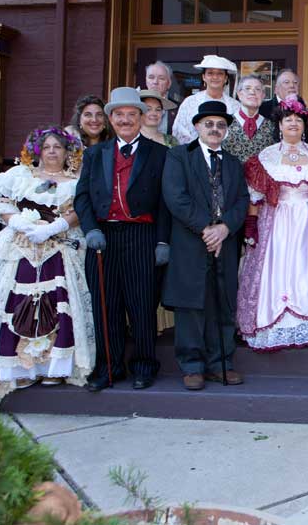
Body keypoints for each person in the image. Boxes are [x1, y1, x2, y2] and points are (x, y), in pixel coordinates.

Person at [0, 127, 94, 413]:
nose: (52, 151)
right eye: (47, 147)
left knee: (58, 303)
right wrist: (18, 223)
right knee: (18, 303)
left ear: (67, 152)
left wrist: (57, 226)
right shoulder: (20, 177)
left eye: (58, 147)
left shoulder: (75, 181)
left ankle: (53, 367)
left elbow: (81, 209)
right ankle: (22, 369)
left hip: (58, 249)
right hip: (23, 250)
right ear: (38, 150)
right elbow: (1, 203)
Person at [236, 99, 308, 349]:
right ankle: (277, 324)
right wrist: (251, 225)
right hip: (277, 221)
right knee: (277, 269)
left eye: (298, 120)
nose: (293, 123)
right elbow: (255, 197)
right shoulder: (265, 158)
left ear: (304, 125)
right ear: (279, 125)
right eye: (287, 119)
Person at [74, 87, 171, 391]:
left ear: (142, 119)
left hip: (141, 234)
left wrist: (162, 242)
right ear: (110, 119)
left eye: (132, 114)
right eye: (119, 115)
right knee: (106, 305)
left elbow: (166, 203)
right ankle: (109, 368)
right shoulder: (94, 153)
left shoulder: (160, 154)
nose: (126, 120)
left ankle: (144, 366)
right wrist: (90, 229)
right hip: (103, 236)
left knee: (142, 305)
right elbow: (82, 197)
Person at [162, 101, 249, 390]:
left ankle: (220, 363)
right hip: (191, 242)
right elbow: (176, 197)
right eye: (209, 124)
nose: (215, 129)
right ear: (197, 127)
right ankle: (192, 366)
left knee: (222, 305)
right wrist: (207, 228)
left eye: (221, 125)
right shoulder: (179, 157)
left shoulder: (234, 163)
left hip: (225, 243)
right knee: (191, 307)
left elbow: (240, 201)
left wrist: (225, 228)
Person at [139, 89, 179, 336]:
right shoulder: (130, 139)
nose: (153, 114)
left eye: (157, 110)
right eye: (148, 109)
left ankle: (159, 323)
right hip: (138, 213)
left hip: (165, 211)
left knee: (160, 268)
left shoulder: (171, 142)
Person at [172, 54, 241, 144]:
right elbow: (180, 131)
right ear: (204, 77)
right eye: (210, 73)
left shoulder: (235, 106)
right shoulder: (190, 102)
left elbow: (239, 134)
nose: (215, 77)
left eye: (220, 73)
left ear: (225, 78)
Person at [223, 75, 278, 164]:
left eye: (257, 89)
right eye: (247, 88)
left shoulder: (271, 126)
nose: (252, 92)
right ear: (239, 94)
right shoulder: (224, 124)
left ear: (263, 95)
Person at [143, 61, 180, 134]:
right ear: (146, 81)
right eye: (151, 77)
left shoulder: (177, 109)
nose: (155, 82)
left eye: (161, 78)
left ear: (169, 83)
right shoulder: (136, 104)